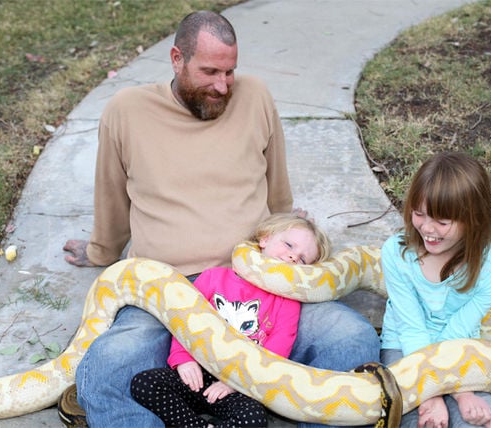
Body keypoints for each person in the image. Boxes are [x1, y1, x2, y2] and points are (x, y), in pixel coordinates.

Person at [60, 10, 380, 428]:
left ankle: (248, 395)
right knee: (102, 372)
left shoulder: (256, 96)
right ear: (177, 58)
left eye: (230, 72)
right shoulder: (126, 111)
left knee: (354, 338)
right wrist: (100, 249)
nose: (223, 85)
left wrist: (290, 231)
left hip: (262, 281)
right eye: (209, 71)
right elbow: (111, 195)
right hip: (167, 286)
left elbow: (277, 186)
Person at [130, 213, 331, 428]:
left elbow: (275, 354)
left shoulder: (288, 303)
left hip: (238, 386)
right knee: (144, 383)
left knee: (253, 417)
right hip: (194, 370)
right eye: (289, 245)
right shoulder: (214, 277)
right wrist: (183, 359)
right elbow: (183, 321)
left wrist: (235, 383)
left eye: (302, 259)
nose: (293, 257)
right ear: (264, 239)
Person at [379, 152, 491, 428]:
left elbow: (458, 329)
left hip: (459, 344)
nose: (427, 228)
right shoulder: (396, 253)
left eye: (442, 221)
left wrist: (461, 392)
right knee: (415, 417)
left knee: (472, 418)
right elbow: (411, 327)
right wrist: (430, 393)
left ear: (475, 219)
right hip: (403, 344)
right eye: (419, 213)